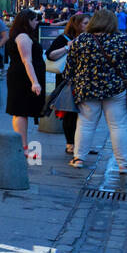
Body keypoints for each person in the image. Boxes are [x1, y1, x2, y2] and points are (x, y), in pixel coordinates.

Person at [65, 8, 127, 172]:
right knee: (118, 126)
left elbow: (70, 68)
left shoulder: (81, 40)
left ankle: (78, 158)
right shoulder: (122, 39)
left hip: (87, 89)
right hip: (115, 88)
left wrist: (75, 81)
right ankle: (124, 163)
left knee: (85, 124)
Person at [46, 12, 88, 155]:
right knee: (70, 113)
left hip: (84, 81)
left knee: (85, 114)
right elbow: (50, 56)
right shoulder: (63, 38)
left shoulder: (89, 39)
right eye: (85, 23)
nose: (88, 26)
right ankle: (70, 143)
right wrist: (67, 47)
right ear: (76, 25)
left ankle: (81, 144)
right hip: (67, 81)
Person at [5, 9, 46, 151]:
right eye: (34, 19)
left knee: (21, 111)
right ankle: (23, 146)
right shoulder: (23, 37)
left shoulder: (22, 35)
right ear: (27, 21)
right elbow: (26, 61)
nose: (37, 22)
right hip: (22, 78)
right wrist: (34, 82)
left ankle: (22, 144)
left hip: (21, 76)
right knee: (21, 111)